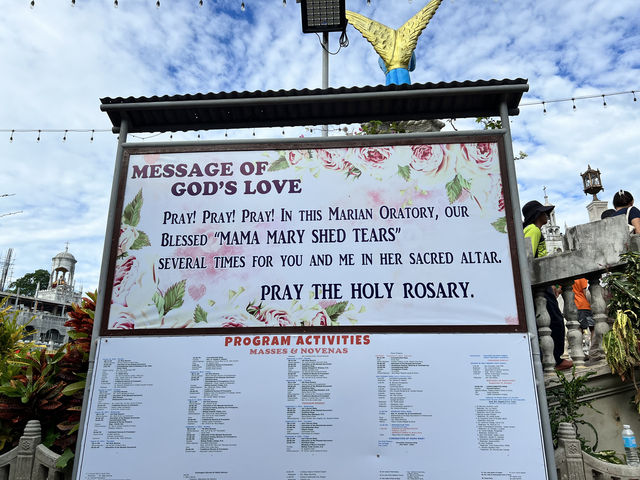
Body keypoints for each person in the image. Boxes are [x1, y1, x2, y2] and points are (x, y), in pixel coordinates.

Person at [522, 200, 573, 370]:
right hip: (541, 285)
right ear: (537, 215)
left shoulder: (532, 230)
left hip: (543, 284)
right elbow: (529, 258)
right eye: (544, 212)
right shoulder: (533, 231)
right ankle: (555, 359)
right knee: (556, 320)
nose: (547, 215)